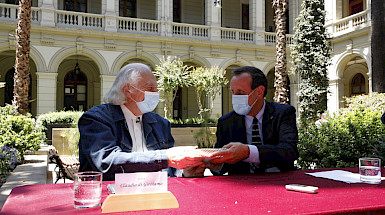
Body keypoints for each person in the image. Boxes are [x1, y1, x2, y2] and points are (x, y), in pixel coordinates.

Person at [78, 63, 203, 180]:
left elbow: (169, 169)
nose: (156, 94)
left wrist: (185, 171)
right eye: (150, 88)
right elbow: (107, 162)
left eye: (156, 88)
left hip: (155, 197)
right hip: (110, 198)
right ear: (127, 90)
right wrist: (164, 158)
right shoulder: (97, 119)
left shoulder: (160, 123)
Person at [187, 66, 299, 176]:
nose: (235, 97)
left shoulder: (283, 113)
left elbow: (289, 150)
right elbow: (222, 165)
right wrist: (212, 164)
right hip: (242, 185)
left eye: (240, 93)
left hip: (280, 181)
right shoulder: (226, 122)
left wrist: (248, 152)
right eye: (233, 92)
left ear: (259, 91)